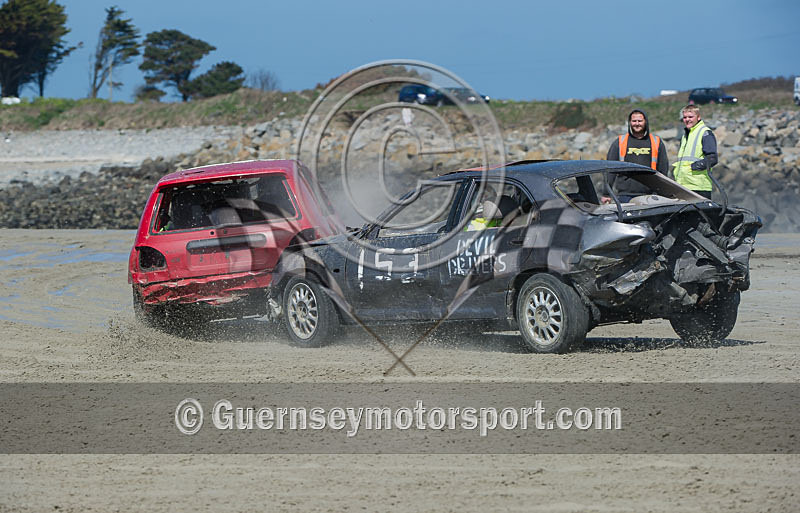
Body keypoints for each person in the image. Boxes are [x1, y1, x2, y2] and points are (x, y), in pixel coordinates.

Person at [604, 109, 669, 203]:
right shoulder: (620, 142)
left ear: (645, 122)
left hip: (650, 195)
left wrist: (662, 192)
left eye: (640, 121)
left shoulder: (656, 142)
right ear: (630, 122)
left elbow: (663, 170)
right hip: (625, 195)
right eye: (634, 121)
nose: (637, 124)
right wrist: (606, 193)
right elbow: (609, 170)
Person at [673, 104, 718, 199]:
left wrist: (693, 167)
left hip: (699, 187)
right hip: (683, 186)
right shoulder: (685, 136)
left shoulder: (705, 132)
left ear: (698, 117)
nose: (687, 119)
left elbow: (712, 158)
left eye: (690, 117)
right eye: (685, 117)